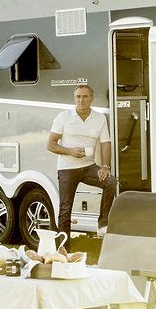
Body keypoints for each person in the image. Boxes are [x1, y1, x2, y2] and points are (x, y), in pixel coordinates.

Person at [47, 83, 117, 238]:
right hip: (67, 168)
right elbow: (50, 144)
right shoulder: (64, 117)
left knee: (111, 182)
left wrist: (105, 166)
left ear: (91, 98)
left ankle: (103, 224)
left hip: (88, 167)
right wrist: (71, 151)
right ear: (74, 98)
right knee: (65, 208)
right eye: (78, 97)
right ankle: (63, 246)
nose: (81, 100)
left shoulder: (100, 118)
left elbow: (106, 143)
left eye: (85, 97)